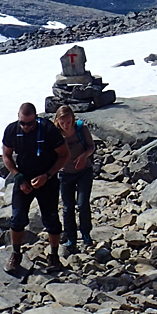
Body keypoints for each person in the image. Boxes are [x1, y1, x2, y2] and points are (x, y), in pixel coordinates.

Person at [1, 102, 70, 274]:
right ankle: (16, 254)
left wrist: (47, 175)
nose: (25, 127)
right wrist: (18, 177)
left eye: (30, 124)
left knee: (51, 220)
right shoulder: (12, 130)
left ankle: (53, 255)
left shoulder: (48, 130)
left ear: (36, 119)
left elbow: (64, 155)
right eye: (22, 123)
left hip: (47, 180)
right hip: (23, 179)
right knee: (17, 219)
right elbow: (6, 155)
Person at [53, 105, 95, 254]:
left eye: (69, 122)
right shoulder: (55, 134)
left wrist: (84, 156)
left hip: (84, 171)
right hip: (65, 174)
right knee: (67, 207)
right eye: (63, 123)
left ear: (73, 119)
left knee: (83, 204)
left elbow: (91, 146)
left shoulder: (80, 128)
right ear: (57, 121)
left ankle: (86, 234)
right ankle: (71, 237)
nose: (66, 125)